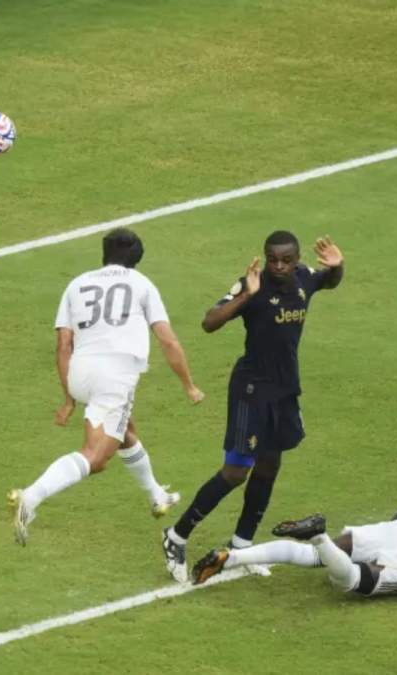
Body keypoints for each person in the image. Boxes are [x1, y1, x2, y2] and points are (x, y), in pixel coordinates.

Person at [162, 231, 343, 582]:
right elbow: (209, 321)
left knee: (269, 467)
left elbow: (329, 281)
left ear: (296, 258)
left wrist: (338, 267)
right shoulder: (252, 285)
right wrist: (246, 295)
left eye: (285, 260)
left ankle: (241, 546)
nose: (278, 266)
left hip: (285, 389)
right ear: (265, 257)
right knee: (235, 471)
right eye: (273, 258)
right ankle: (176, 535)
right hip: (251, 390)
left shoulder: (304, 277)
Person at [8, 227, 204, 546]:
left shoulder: (77, 284)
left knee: (123, 428)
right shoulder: (141, 284)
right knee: (96, 457)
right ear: (136, 258)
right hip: (115, 376)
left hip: (81, 373)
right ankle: (29, 499)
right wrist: (189, 385)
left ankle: (157, 495)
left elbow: (63, 344)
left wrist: (69, 398)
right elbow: (167, 339)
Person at [190, 474, 397, 595]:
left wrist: (389, 533)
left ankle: (230, 557)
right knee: (352, 582)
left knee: (316, 558)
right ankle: (318, 535)